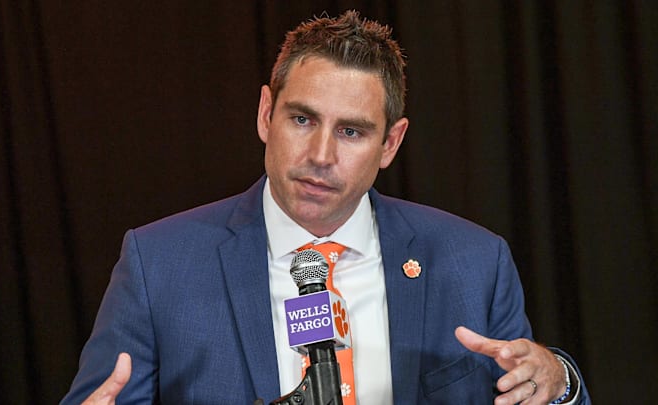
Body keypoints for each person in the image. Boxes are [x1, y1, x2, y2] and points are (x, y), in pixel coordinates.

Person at [62, 10, 590, 404]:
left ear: (390, 144)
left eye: (352, 132)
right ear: (266, 114)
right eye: (301, 120)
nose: (320, 155)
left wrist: (558, 381)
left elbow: (528, 386)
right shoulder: (159, 263)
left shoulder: (475, 260)